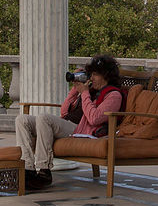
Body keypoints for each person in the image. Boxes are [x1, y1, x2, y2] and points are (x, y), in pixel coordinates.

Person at [15, 54, 125, 190]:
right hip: (69, 125)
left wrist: (84, 93)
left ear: (106, 76)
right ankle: (27, 169)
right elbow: (64, 112)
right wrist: (75, 89)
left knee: (44, 118)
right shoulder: (90, 90)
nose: (91, 78)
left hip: (82, 130)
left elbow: (94, 118)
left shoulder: (113, 95)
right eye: (91, 74)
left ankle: (44, 171)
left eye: (95, 75)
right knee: (22, 119)